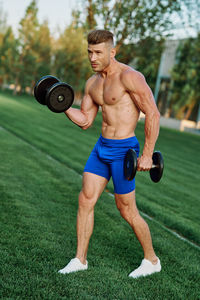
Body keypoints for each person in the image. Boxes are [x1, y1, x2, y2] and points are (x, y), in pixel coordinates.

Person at [58, 29, 161, 278]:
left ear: (112, 52)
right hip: (101, 148)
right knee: (85, 199)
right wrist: (61, 105)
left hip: (124, 150)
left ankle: (152, 260)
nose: (92, 58)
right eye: (89, 53)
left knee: (126, 209)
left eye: (98, 52)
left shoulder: (130, 77)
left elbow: (153, 113)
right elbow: (85, 121)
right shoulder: (92, 83)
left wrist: (147, 154)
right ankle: (80, 259)